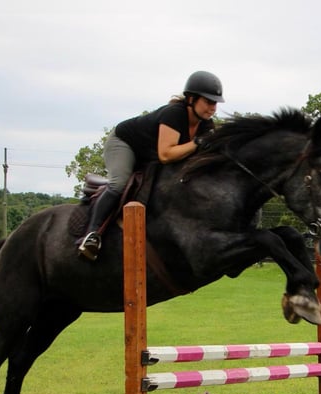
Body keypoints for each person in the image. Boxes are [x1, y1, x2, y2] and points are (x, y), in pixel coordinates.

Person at [78, 70, 225, 260]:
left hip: (149, 154)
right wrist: (197, 143)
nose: (213, 107)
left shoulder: (205, 124)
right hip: (124, 143)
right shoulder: (174, 114)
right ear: (191, 99)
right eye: (208, 101)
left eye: (215, 103)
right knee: (120, 182)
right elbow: (166, 154)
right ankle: (92, 235)